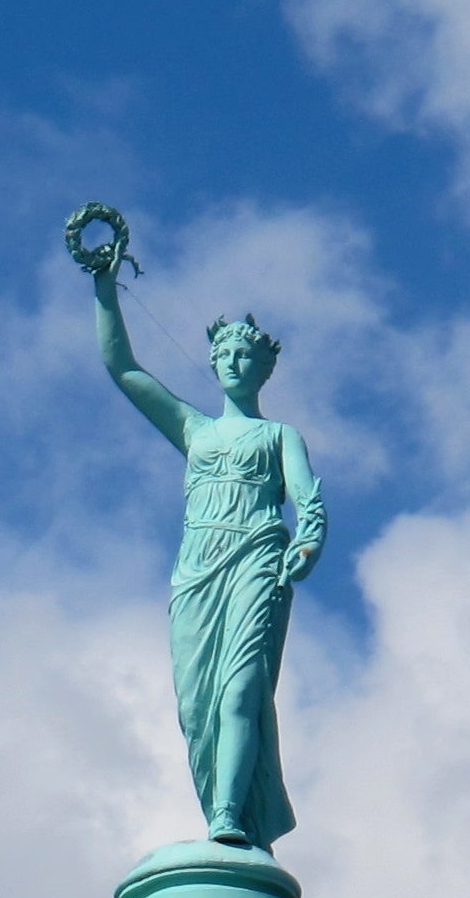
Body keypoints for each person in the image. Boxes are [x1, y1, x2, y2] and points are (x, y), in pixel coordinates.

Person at [87, 258, 326, 850]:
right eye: (224, 355)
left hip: (257, 559)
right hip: (197, 570)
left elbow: (308, 500)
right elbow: (122, 368)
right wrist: (103, 289)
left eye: (246, 356)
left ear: (265, 368)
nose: (234, 363)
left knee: (242, 689)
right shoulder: (194, 430)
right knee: (197, 708)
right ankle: (235, 806)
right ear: (214, 363)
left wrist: (309, 538)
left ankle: (227, 817)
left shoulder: (279, 437)